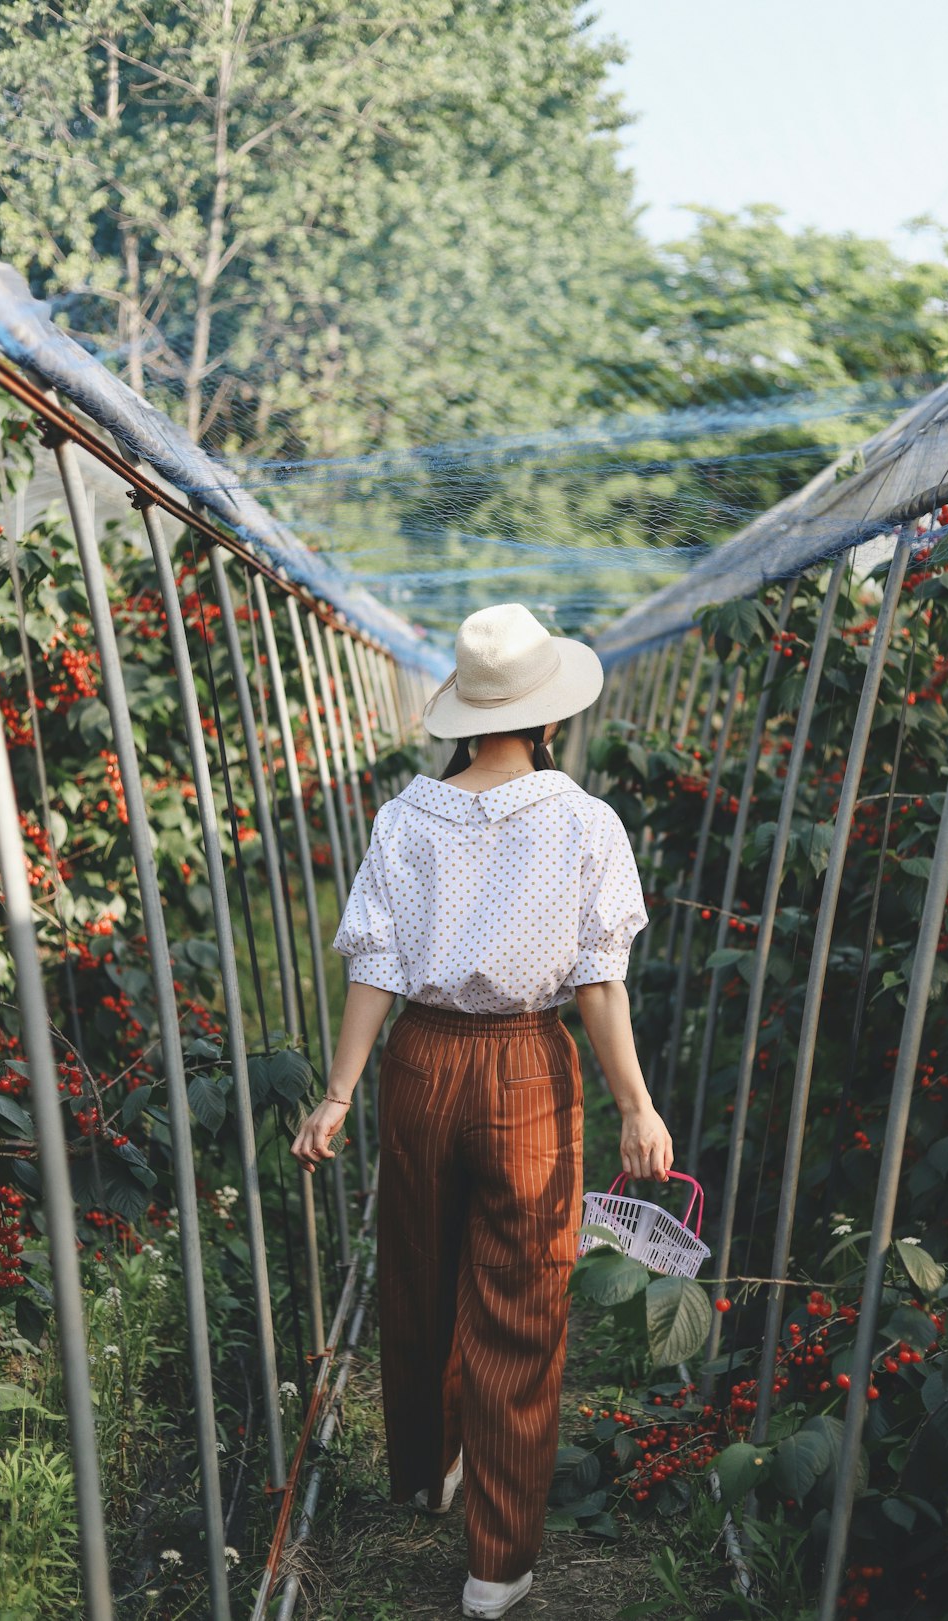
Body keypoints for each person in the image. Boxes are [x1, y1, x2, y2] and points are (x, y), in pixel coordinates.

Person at [291, 603, 674, 1620]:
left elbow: (373, 963)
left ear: (465, 713)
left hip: (420, 1060)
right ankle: (494, 1566)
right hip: (528, 1069)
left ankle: (436, 1466)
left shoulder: (405, 816)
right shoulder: (587, 821)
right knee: (520, 1298)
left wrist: (338, 1093)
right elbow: (599, 982)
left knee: (421, 1267)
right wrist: (636, 1104)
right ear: (548, 716)